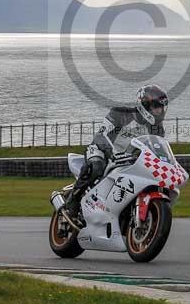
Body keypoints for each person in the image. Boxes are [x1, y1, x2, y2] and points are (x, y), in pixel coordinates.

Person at [61, 84, 169, 229]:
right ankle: (72, 203)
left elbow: (157, 150)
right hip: (102, 151)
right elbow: (102, 134)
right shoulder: (121, 113)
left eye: (162, 107)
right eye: (156, 106)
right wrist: (111, 153)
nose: (159, 111)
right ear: (145, 105)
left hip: (128, 162)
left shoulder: (157, 128)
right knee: (96, 166)